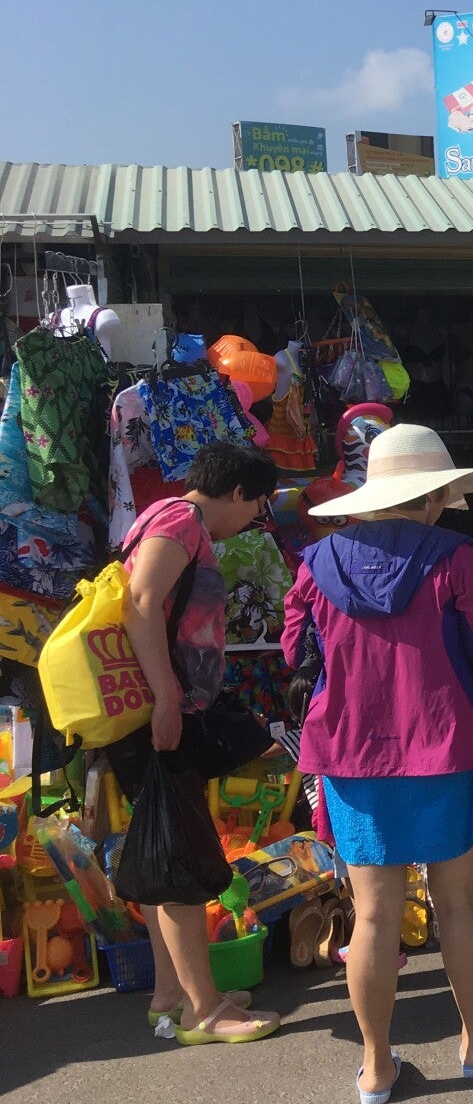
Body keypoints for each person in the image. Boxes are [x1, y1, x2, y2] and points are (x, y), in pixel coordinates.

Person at [287, 424, 473, 1104]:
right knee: (457, 903)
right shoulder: (457, 557)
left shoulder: (316, 562)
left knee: (374, 916)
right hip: (446, 743)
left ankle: (376, 1067)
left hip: (353, 754)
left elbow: (295, 652)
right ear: (436, 495)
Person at [114, 442, 282, 1044]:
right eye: (257, 505)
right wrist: (166, 696)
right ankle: (202, 1010)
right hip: (164, 712)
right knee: (181, 859)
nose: (255, 518)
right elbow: (141, 603)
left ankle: (171, 994)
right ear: (237, 491)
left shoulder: (166, 517)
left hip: (162, 709)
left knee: (165, 855)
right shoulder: (180, 521)